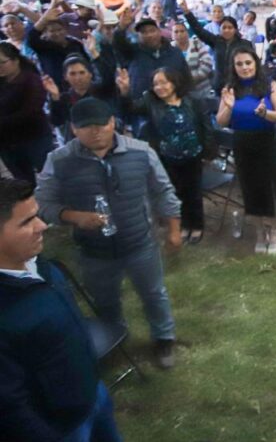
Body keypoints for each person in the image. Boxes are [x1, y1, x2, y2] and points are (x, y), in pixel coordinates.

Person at [36, 98, 182, 369]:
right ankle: (116, 339)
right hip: (93, 251)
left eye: (101, 124)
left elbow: (163, 192)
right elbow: (42, 203)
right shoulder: (59, 161)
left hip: (140, 242)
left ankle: (164, 338)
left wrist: (174, 230)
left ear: (113, 122)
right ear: (73, 128)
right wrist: (74, 216)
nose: (96, 131)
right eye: (86, 126)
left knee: (154, 293)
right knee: (105, 301)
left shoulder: (141, 152)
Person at [0, 178, 124, 442]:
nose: (42, 225)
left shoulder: (39, 264)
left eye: (37, 215)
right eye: (27, 221)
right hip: (63, 427)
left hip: (93, 394)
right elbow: (9, 404)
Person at [215, 48, 276, 254]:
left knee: (272, 190)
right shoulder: (230, 88)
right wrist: (229, 107)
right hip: (242, 144)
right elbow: (220, 122)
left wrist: (266, 114)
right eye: (239, 64)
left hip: (267, 143)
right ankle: (260, 232)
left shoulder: (269, 84)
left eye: (248, 62)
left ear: (255, 63)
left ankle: (274, 230)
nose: (244, 67)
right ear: (233, 67)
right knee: (250, 190)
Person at [132, 68, 214, 245]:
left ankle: (197, 225)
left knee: (194, 192)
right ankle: (183, 225)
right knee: (176, 193)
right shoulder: (151, 103)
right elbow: (130, 108)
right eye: (155, 84)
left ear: (174, 83)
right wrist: (124, 91)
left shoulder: (193, 101)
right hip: (168, 157)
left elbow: (206, 126)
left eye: (164, 82)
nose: (159, 87)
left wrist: (208, 152)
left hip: (193, 156)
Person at [0, 42, 52, 183]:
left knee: (49, 177)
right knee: (22, 183)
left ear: (15, 60)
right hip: (7, 143)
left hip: (35, 137)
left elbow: (31, 111)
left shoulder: (31, 80)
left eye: (2, 62)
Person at [113, 10, 190, 101]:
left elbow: (187, 80)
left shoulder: (174, 53)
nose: (149, 35)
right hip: (141, 105)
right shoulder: (132, 52)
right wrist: (121, 28)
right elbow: (118, 44)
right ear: (138, 35)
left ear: (159, 32)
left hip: (172, 105)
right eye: (144, 32)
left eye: (152, 30)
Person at [182, 0, 253, 94]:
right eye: (224, 28)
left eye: (230, 28)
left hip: (240, 86)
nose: (226, 30)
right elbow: (199, 30)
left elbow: (252, 65)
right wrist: (187, 13)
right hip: (219, 86)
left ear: (235, 30)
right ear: (220, 29)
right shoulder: (216, 41)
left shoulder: (245, 44)